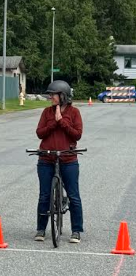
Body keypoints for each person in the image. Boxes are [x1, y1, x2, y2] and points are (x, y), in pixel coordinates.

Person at [34, 80, 84, 243]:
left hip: (68, 158)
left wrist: (61, 120)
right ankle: (41, 229)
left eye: (53, 94)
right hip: (46, 158)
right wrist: (53, 122)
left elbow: (77, 135)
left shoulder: (74, 112)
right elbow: (40, 133)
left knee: (73, 195)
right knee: (44, 195)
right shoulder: (46, 112)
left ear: (63, 96)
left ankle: (76, 230)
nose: (50, 97)